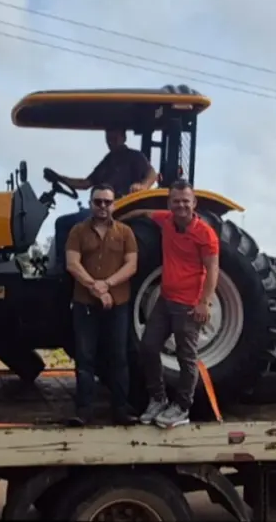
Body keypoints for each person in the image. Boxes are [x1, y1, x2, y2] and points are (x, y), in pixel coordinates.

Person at [126, 179, 219, 429]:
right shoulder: (166, 220)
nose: (181, 206)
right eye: (176, 201)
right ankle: (158, 398)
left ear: (194, 202)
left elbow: (212, 269)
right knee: (148, 347)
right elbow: (143, 212)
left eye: (185, 201)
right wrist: (119, 217)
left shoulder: (205, 234)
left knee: (186, 357)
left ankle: (182, 407)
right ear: (169, 203)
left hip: (188, 305)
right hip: (165, 300)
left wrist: (204, 303)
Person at [64, 184, 140, 426]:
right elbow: (72, 263)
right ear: (90, 203)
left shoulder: (126, 232)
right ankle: (84, 411)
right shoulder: (78, 231)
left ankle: (120, 409)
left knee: (118, 356)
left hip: (118, 304)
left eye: (107, 202)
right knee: (85, 357)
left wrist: (106, 284)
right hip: (85, 303)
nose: (103, 206)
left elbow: (131, 265)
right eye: (98, 202)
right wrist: (94, 287)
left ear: (114, 204)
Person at [50, 129, 157, 271]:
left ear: (123, 137)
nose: (111, 141)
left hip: (118, 207)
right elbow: (86, 183)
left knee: (64, 223)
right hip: (102, 205)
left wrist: (143, 186)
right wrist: (60, 178)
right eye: (108, 137)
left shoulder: (134, 156)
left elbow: (152, 173)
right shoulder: (108, 161)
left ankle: (63, 270)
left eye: (114, 137)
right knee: (65, 221)